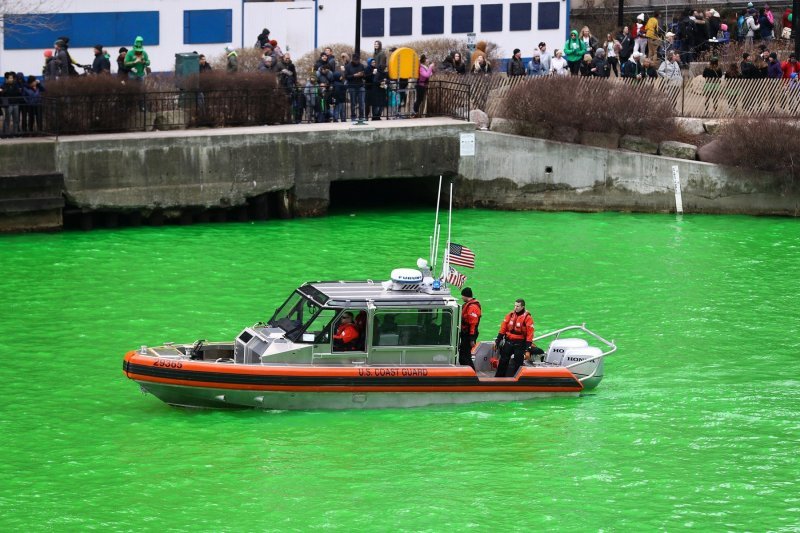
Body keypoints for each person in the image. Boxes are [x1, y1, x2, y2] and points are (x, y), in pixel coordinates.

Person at [494, 299, 534, 378]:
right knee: (503, 360)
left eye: (517, 306)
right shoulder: (510, 315)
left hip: (520, 343)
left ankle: (517, 379)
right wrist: (497, 341)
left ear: (522, 307)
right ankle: (499, 378)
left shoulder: (527, 318)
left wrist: (527, 349)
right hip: (509, 341)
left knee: (518, 362)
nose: (515, 308)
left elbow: (530, 334)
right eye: (515, 305)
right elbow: (503, 328)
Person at [458, 287, 481, 369]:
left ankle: (471, 374)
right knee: (464, 355)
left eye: (462, 295)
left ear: (465, 295)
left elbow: (473, 324)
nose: (461, 297)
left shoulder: (472, 307)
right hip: (466, 334)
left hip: (469, 335)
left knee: (465, 356)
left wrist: (472, 339)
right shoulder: (468, 305)